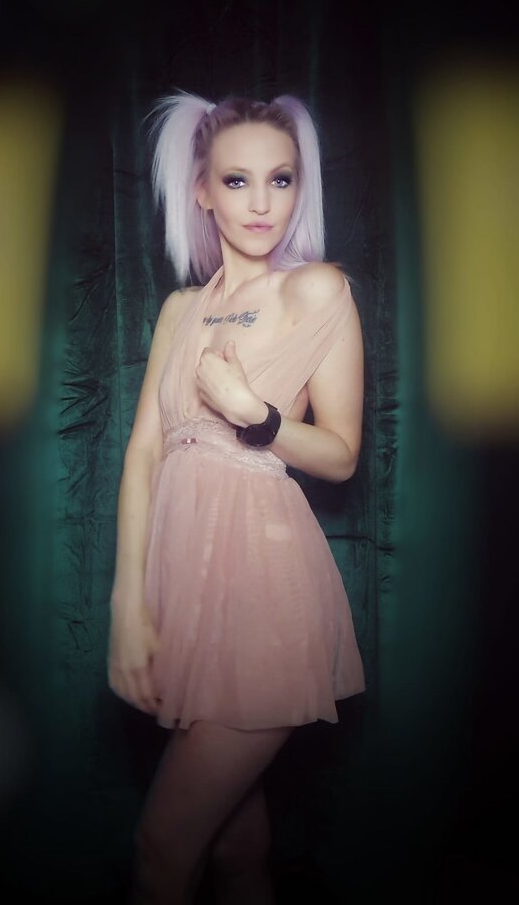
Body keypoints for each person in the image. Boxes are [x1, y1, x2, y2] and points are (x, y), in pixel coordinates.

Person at [107, 92, 365, 905]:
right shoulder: (179, 310)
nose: (261, 203)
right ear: (201, 190)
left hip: (264, 588)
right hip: (184, 587)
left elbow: (342, 454)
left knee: (161, 846)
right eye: (238, 180)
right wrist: (127, 604)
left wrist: (255, 413)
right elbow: (144, 453)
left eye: (281, 180)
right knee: (235, 849)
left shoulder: (316, 290)